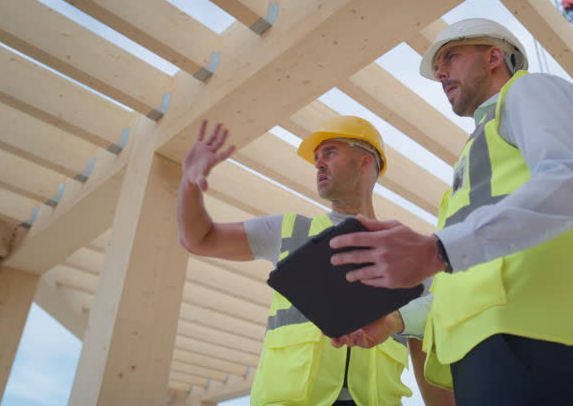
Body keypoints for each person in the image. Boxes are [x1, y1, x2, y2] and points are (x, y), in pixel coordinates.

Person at [329, 18, 573, 405]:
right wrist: (396, 319)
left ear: (494, 57)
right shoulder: (476, 153)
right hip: (479, 353)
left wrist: (437, 249)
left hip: (528, 340)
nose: (440, 73)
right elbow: (460, 280)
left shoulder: (528, 89)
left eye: (451, 57)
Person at [176, 115, 449, 406]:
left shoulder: (407, 252)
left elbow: (429, 347)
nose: (318, 163)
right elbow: (199, 239)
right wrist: (189, 184)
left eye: (330, 153)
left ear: (365, 162)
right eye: (317, 158)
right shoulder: (288, 231)